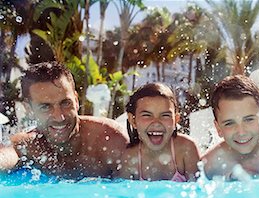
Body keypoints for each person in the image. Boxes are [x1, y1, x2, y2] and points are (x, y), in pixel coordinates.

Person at [0, 61, 128, 179]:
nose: (59, 117)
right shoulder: (28, 145)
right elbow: (6, 156)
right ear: (29, 110)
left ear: (76, 101)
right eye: (45, 107)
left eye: (65, 103)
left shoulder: (109, 139)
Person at [202, 75, 259, 180]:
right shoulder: (209, 164)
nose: (241, 132)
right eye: (229, 123)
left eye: (249, 119)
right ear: (218, 128)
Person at [115, 83, 200, 181]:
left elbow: (198, 190)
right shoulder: (130, 158)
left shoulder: (185, 149)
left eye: (165, 115)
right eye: (147, 115)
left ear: (176, 119)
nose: (156, 122)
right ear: (133, 120)